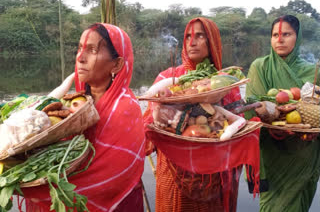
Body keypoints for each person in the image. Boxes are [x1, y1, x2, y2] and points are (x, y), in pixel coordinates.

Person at [21, 23, 146, 211]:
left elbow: (106, 178)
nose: (80, 58)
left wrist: (39, 190)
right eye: (79, 49)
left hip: (115, 203)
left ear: (117, 64)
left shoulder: (125, 109)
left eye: (92, 50)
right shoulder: (75, 103)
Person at [144, 17, 261, 212]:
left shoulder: (226, 81)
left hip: (215, 176)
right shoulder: (168, 78)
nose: (192, 42)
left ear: (212, 41)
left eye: (200, 36)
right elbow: (149, 120)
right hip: (175, 171)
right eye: (188, 36)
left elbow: (236, 124)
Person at [246, 15, 320, 212]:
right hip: (272, 153)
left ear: (298, 37)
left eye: (286, 34)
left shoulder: (313, 71)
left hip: (303, 153)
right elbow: (252, 105)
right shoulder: (259, 67)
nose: (279, 40)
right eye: (275, 34)